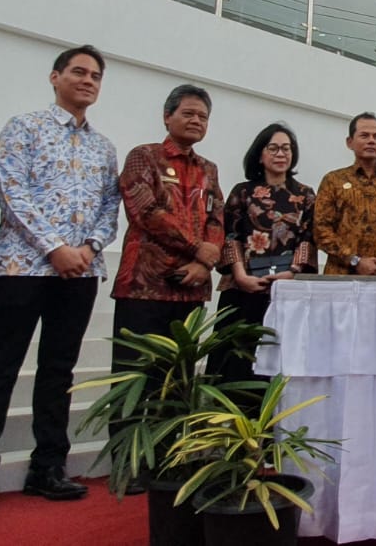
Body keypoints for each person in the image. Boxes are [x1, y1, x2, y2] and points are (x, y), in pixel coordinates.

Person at [0, 46, 120, 521]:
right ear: (55, 77)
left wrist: (87, 247)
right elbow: (10, 191)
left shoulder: (103, 147)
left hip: (80, 273)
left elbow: (111, 208)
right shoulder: (24, 128)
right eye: (79, 72)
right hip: (21, 268)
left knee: (58, 373)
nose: (88, 81)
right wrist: (54, 248)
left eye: (95, 76)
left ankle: (48, 467)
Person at [110, 84, 223, 489]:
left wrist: (202, 261)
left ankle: (170, 459)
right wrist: (198, 249)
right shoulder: (144, 156)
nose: (196, 121)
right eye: (189, 114)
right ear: (167, 116)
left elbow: (217, 219)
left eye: (203, 117)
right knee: (132, 379)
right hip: (144, 285)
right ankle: (128, 465)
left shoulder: (209, 169)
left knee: (177, 380)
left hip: (190, 288)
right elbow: (146, 212)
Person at [209, 123, 316, 386]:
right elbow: (230, 235)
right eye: (274, 148)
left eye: (287, 148)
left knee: (277, 363)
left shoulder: (304, 195)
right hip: (242, 288)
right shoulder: (242, 192)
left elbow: (309, 238)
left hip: (286, 292)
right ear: (260, 153)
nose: (281, 154)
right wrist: (240, 275)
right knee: (234, 363)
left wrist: (292, 272)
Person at [315, 112, 376, 276]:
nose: (371, 140)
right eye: (364, 135)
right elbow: (321, 230)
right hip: (341, 274)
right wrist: (354, 260)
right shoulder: (333, 181)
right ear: (349, 142)